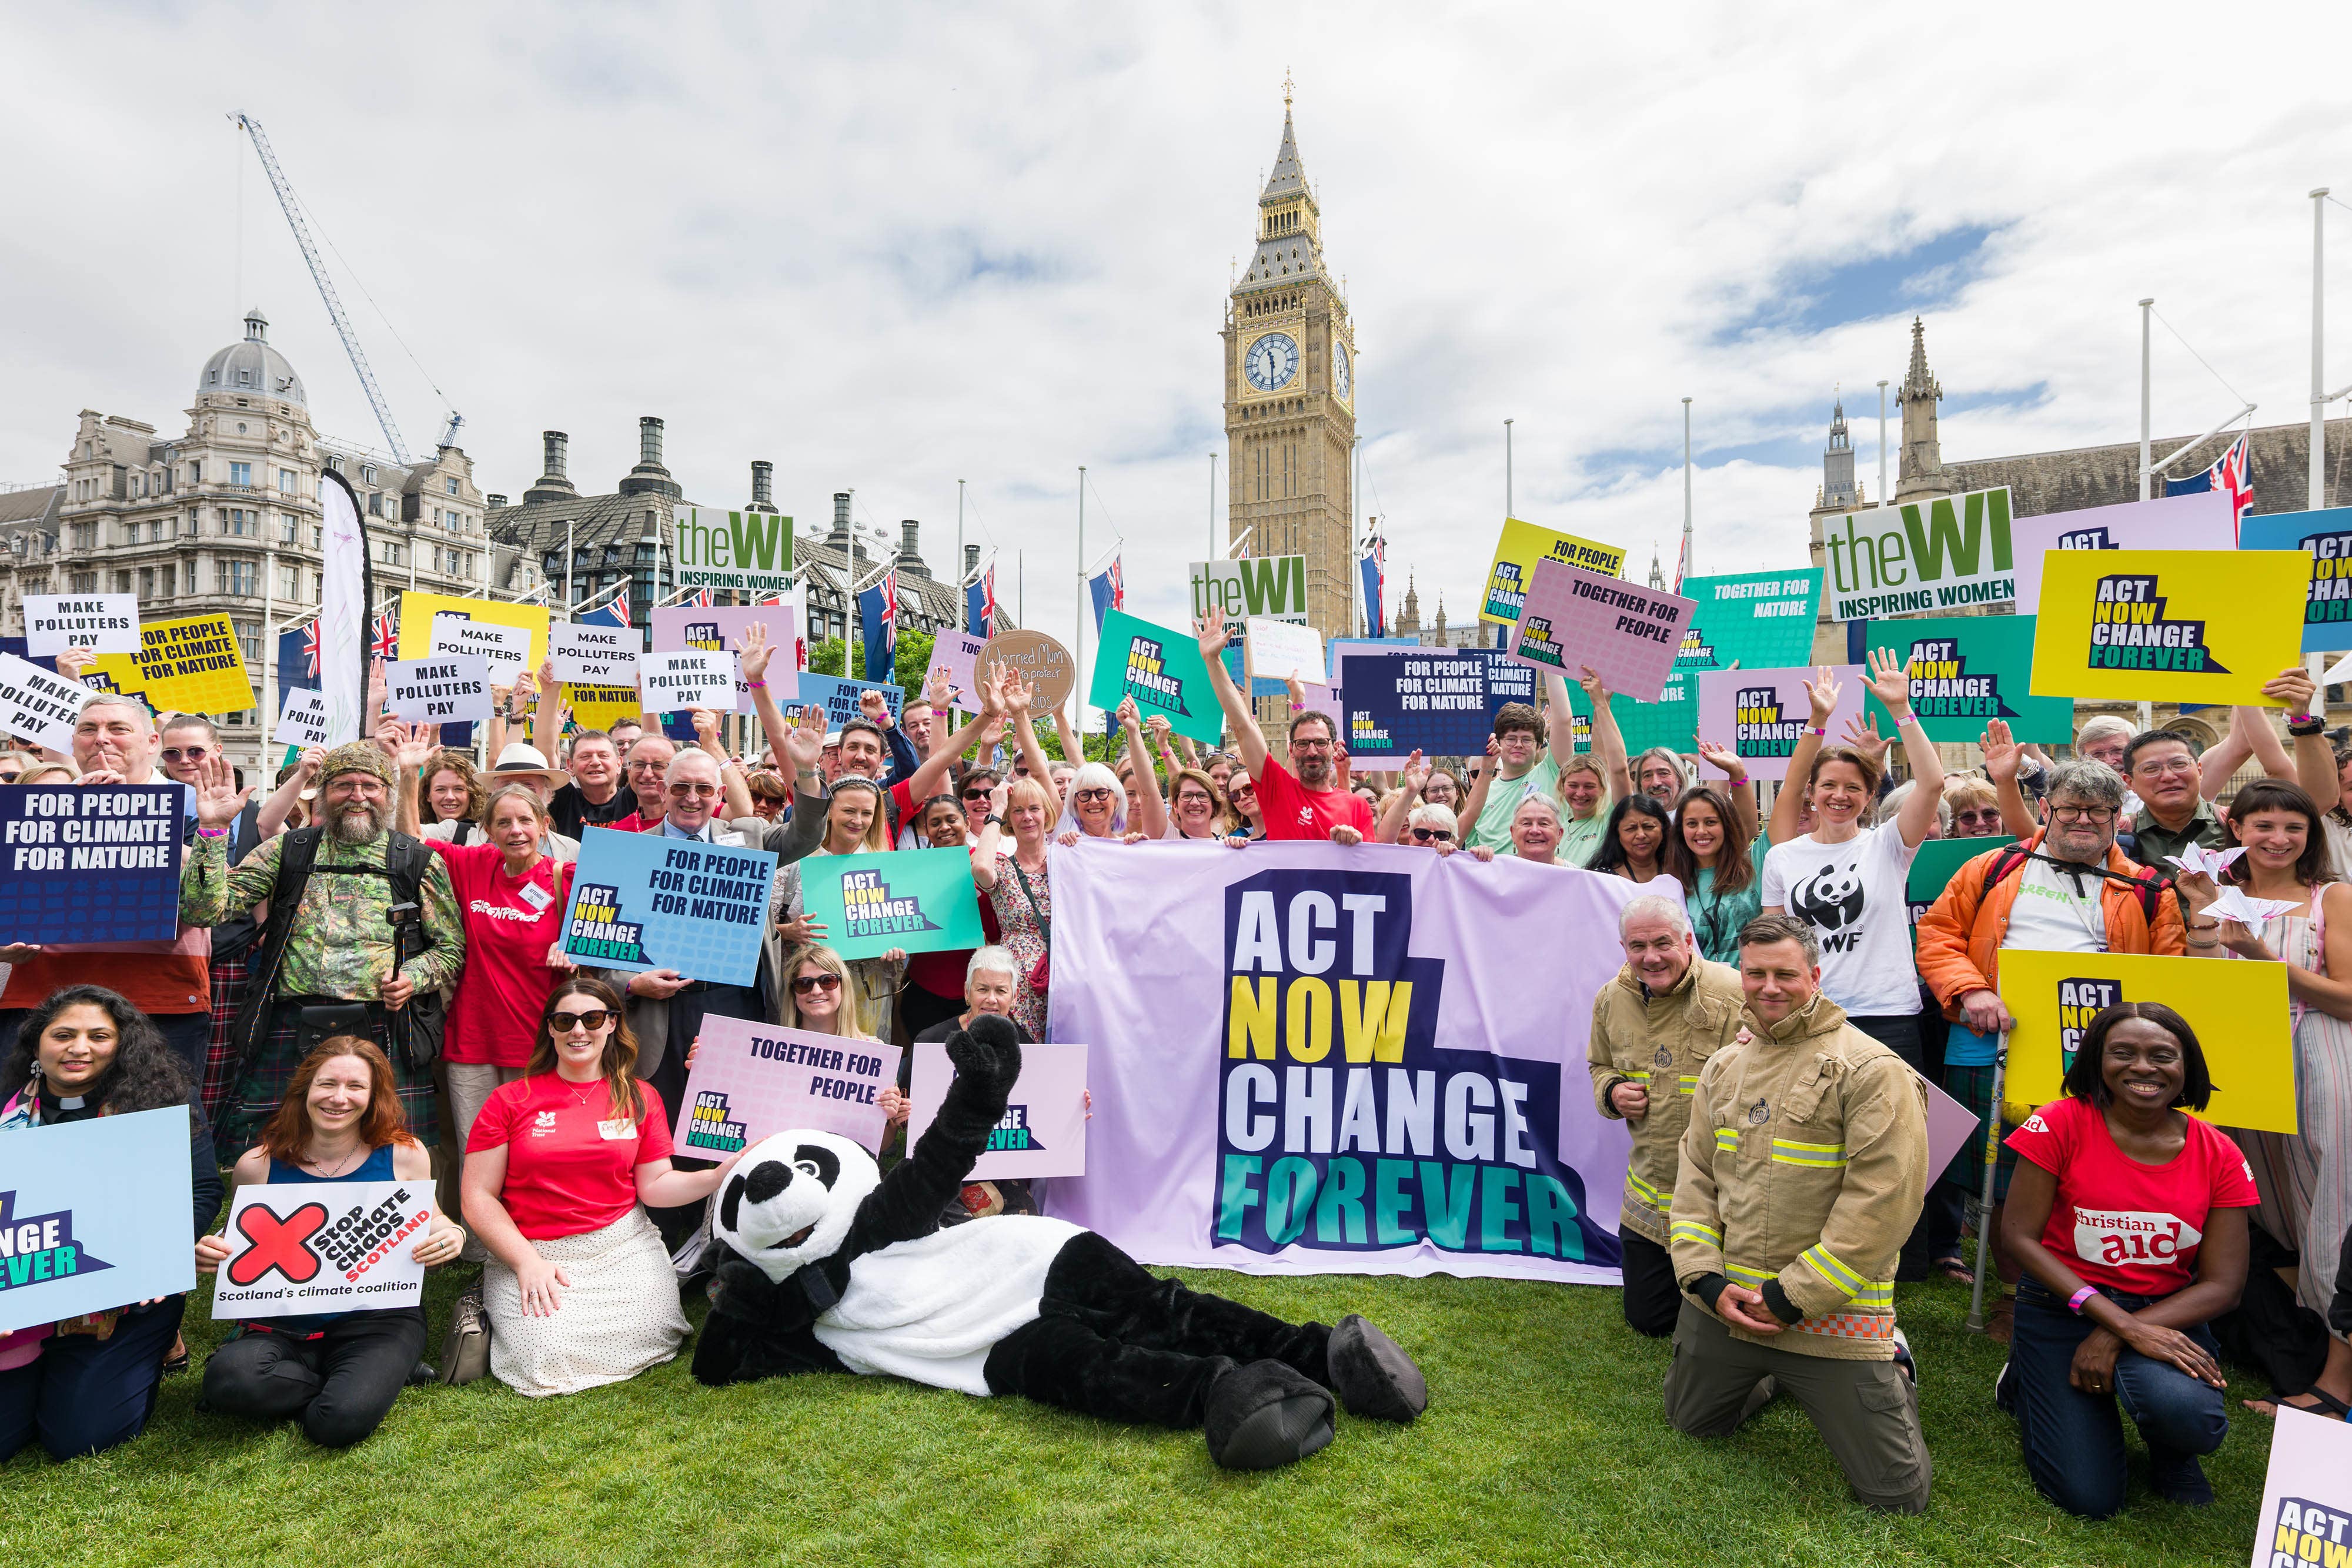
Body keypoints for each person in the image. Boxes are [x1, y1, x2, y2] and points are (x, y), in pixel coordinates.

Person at [1665, 913, 1933, 1514]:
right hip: (1728, 1302)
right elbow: (1694, 1183)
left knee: (1896, 1497)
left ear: (1814, 975)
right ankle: (1770, 1374)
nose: (1768, 987)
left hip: (1829, 1315)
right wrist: (1706, 1280)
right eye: (1754, 973)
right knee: (1691, 1423)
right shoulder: (1722, 1068)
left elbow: (1881, 1207)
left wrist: (1792, 1298)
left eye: (1784, 973)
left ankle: (1894, 1362)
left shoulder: (1873, 1070)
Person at [1915, 745, 2184, 1306]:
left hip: (2104, 1054)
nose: (2083, 819)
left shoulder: (2151, 890)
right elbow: (1938, 935)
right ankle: (2018, 1299)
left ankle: (2094, 1289)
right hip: (1993, 1043)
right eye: (2070, 808)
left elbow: (2170, 975)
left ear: (2118, 817)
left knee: (2088, 1177)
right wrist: (1972, 990)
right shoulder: (1992, 868)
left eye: (2097, 810)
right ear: (2046, 809)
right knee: (2008, 1181)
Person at [1997, 1002, 2255, 1516]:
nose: (2143, 1067)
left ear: (2187, 1069)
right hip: (2060, 1307)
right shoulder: (2058, 1124)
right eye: (2123, 1053)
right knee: (2088, 1498)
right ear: (2097, 1060)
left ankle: (2172, 1452)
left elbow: (2224, 1285)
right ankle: (2028, 1377)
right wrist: (2117, 1322)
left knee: (2190, 1418)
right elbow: (2018, 1237)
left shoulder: (2219, 1151)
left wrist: (2119, 1331)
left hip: (2164, 1310)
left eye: (2163, 1055)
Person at [179, 744, 465, 1156]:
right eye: (344, 785)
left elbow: (451, 948)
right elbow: (203, 910)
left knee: (389, 1149)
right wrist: (210, 832)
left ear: (387, 792)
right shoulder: (289, 849)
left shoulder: (418, 859)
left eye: (370, 785)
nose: (358, 795)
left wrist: (414, 978)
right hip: (292, 1023)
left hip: (384, 1027)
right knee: (281, 1147)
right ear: (323, 791)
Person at [461, 979, 741, 1397]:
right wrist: (525, 1262)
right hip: (537, 1251)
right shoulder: (509, 1100)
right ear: (550, 1030)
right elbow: (477, 1197)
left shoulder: (639, 1096)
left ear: (612, 1024)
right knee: (547, 1355)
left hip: (621, 1244)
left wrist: (718, 1175)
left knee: (658, 1326)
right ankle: (497, 1286)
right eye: (565, 1020)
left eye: (592, 1018)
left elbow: (656, 1186)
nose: (579, 1030)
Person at [195, 1037, 466, 1446]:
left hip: (378, 1319)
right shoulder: (257, 1165)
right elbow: (246, 1234)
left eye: (356, 1086)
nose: (339, 1098)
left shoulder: (405, 1155)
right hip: (281, 1325)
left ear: (374, 1096)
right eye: (327, 1084)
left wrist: (453, 1234)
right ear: (305, 1088)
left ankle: (373, 1372)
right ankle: (366, 1377)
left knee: (338, 1421)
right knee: (228, 1381)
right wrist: (215, 1246)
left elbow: (435, 1218)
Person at [0, 987, 220, 1462]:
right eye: (64, 1034)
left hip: (122, 1301)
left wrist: (161, 1253)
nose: (79, 1047)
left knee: (78, 1437)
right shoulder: (6, 1104)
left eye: (98, 1035)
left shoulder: (163, 1100)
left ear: (122, 1044)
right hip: (19, 1298)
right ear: (37, 1044)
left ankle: (151, 1351)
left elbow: (202, 1191)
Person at [2174, 778, 2352, 1326]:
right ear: (2236, 829)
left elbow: (2347, 999)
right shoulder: (2217, 890)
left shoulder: (2333, 895)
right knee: (2261, 1193)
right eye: (2265, 826)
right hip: (2245, 1062)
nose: (2279, 839)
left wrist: (2261, 956)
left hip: (2322, 1053)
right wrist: (2203, 911)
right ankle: (2301, 1332)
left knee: (2333, 1190)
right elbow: (2200, 984)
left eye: (2294, 827)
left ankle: (2338, 1335)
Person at [0, 694, 216, 1088]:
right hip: (42, 1001)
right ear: (73, 742)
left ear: (152, 742)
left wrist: (128, 813)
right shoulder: (30, 810)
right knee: (32, 1140)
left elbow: (215, 897)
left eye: (118, 729)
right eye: (89, 729)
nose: (102, 739)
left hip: (158, 1001)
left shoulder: (197, 809)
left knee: (157, 1139)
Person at [1760, 654, 1946, 1062]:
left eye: (1853, 787)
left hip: (1888, 1015)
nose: (1839, 795)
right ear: (1812, 791)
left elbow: (1932, 784)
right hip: (1810, 1014)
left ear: (1869, 795)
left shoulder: (1889, 844)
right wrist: (1761, 1014)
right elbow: (1771, 946)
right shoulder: (1782, 857)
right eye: (1828, 785)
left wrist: (1901, 709)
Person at [1588, 897, 1745, 1336]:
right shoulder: (1610, 999)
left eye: (1663, 942)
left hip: (1724, 1200)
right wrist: (1613, 1091)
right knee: (1650, 1320)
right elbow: (1600, 1066)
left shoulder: (1735, 992)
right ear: (1623, 947)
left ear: (1688, 940)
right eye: (1638, 945)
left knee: (1729, 1318)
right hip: (1649, 1202)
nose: (1651, 957)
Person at [1195, 608, 1372, 843]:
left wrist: (1355, 843)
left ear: (1334, 746)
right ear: (1292, 749)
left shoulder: (1357, 805)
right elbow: (1243, 727)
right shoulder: (1278, 791)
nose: (1312, 751)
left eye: (1320, 742)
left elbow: (1373, 868)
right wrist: (1213, 661)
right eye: (1303, 743)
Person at [1459, 668, 1625, 855]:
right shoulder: (1482, 795)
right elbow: (1468, 848)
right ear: (1498, 742)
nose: (1519, 745)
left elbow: (1564, 719)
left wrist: (1548, 661)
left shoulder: (1551, 771)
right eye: (1511, 739)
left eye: (1527, 740)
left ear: (1539, 746)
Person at [969, 778, 1055, 1039]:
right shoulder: (1003, 867)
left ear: (1047, 813)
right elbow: (980, 869)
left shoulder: (1065, 859)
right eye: (1018, 811)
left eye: (1034, 809)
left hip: (1064, 981)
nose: (1027, 817)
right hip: (1018, 991)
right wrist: (996, 811)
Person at [1669, 784, 1767, 965]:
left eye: (1710, 822)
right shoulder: (1670, 881)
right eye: (1692, 824)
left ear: (1727, 825)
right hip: (1696, 990)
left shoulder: (1757, 864)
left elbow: (1792, 793)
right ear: (1681, 831)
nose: (1701, 831)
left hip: (1752, 989)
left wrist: (1738, 776)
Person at [1588, 794, 1672, 882]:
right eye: (1630, 829)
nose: (1641, 835)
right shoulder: (1602, 880)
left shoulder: (1681, 872)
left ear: (1663, 828)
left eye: (1649, 827)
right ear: (1617, 834)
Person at [414, 749, 486, 840]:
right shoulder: (417, 834)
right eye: (441, 789)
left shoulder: (485, 837)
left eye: (458, 789)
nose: (450, 797)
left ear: (472, 794)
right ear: (428, 795)